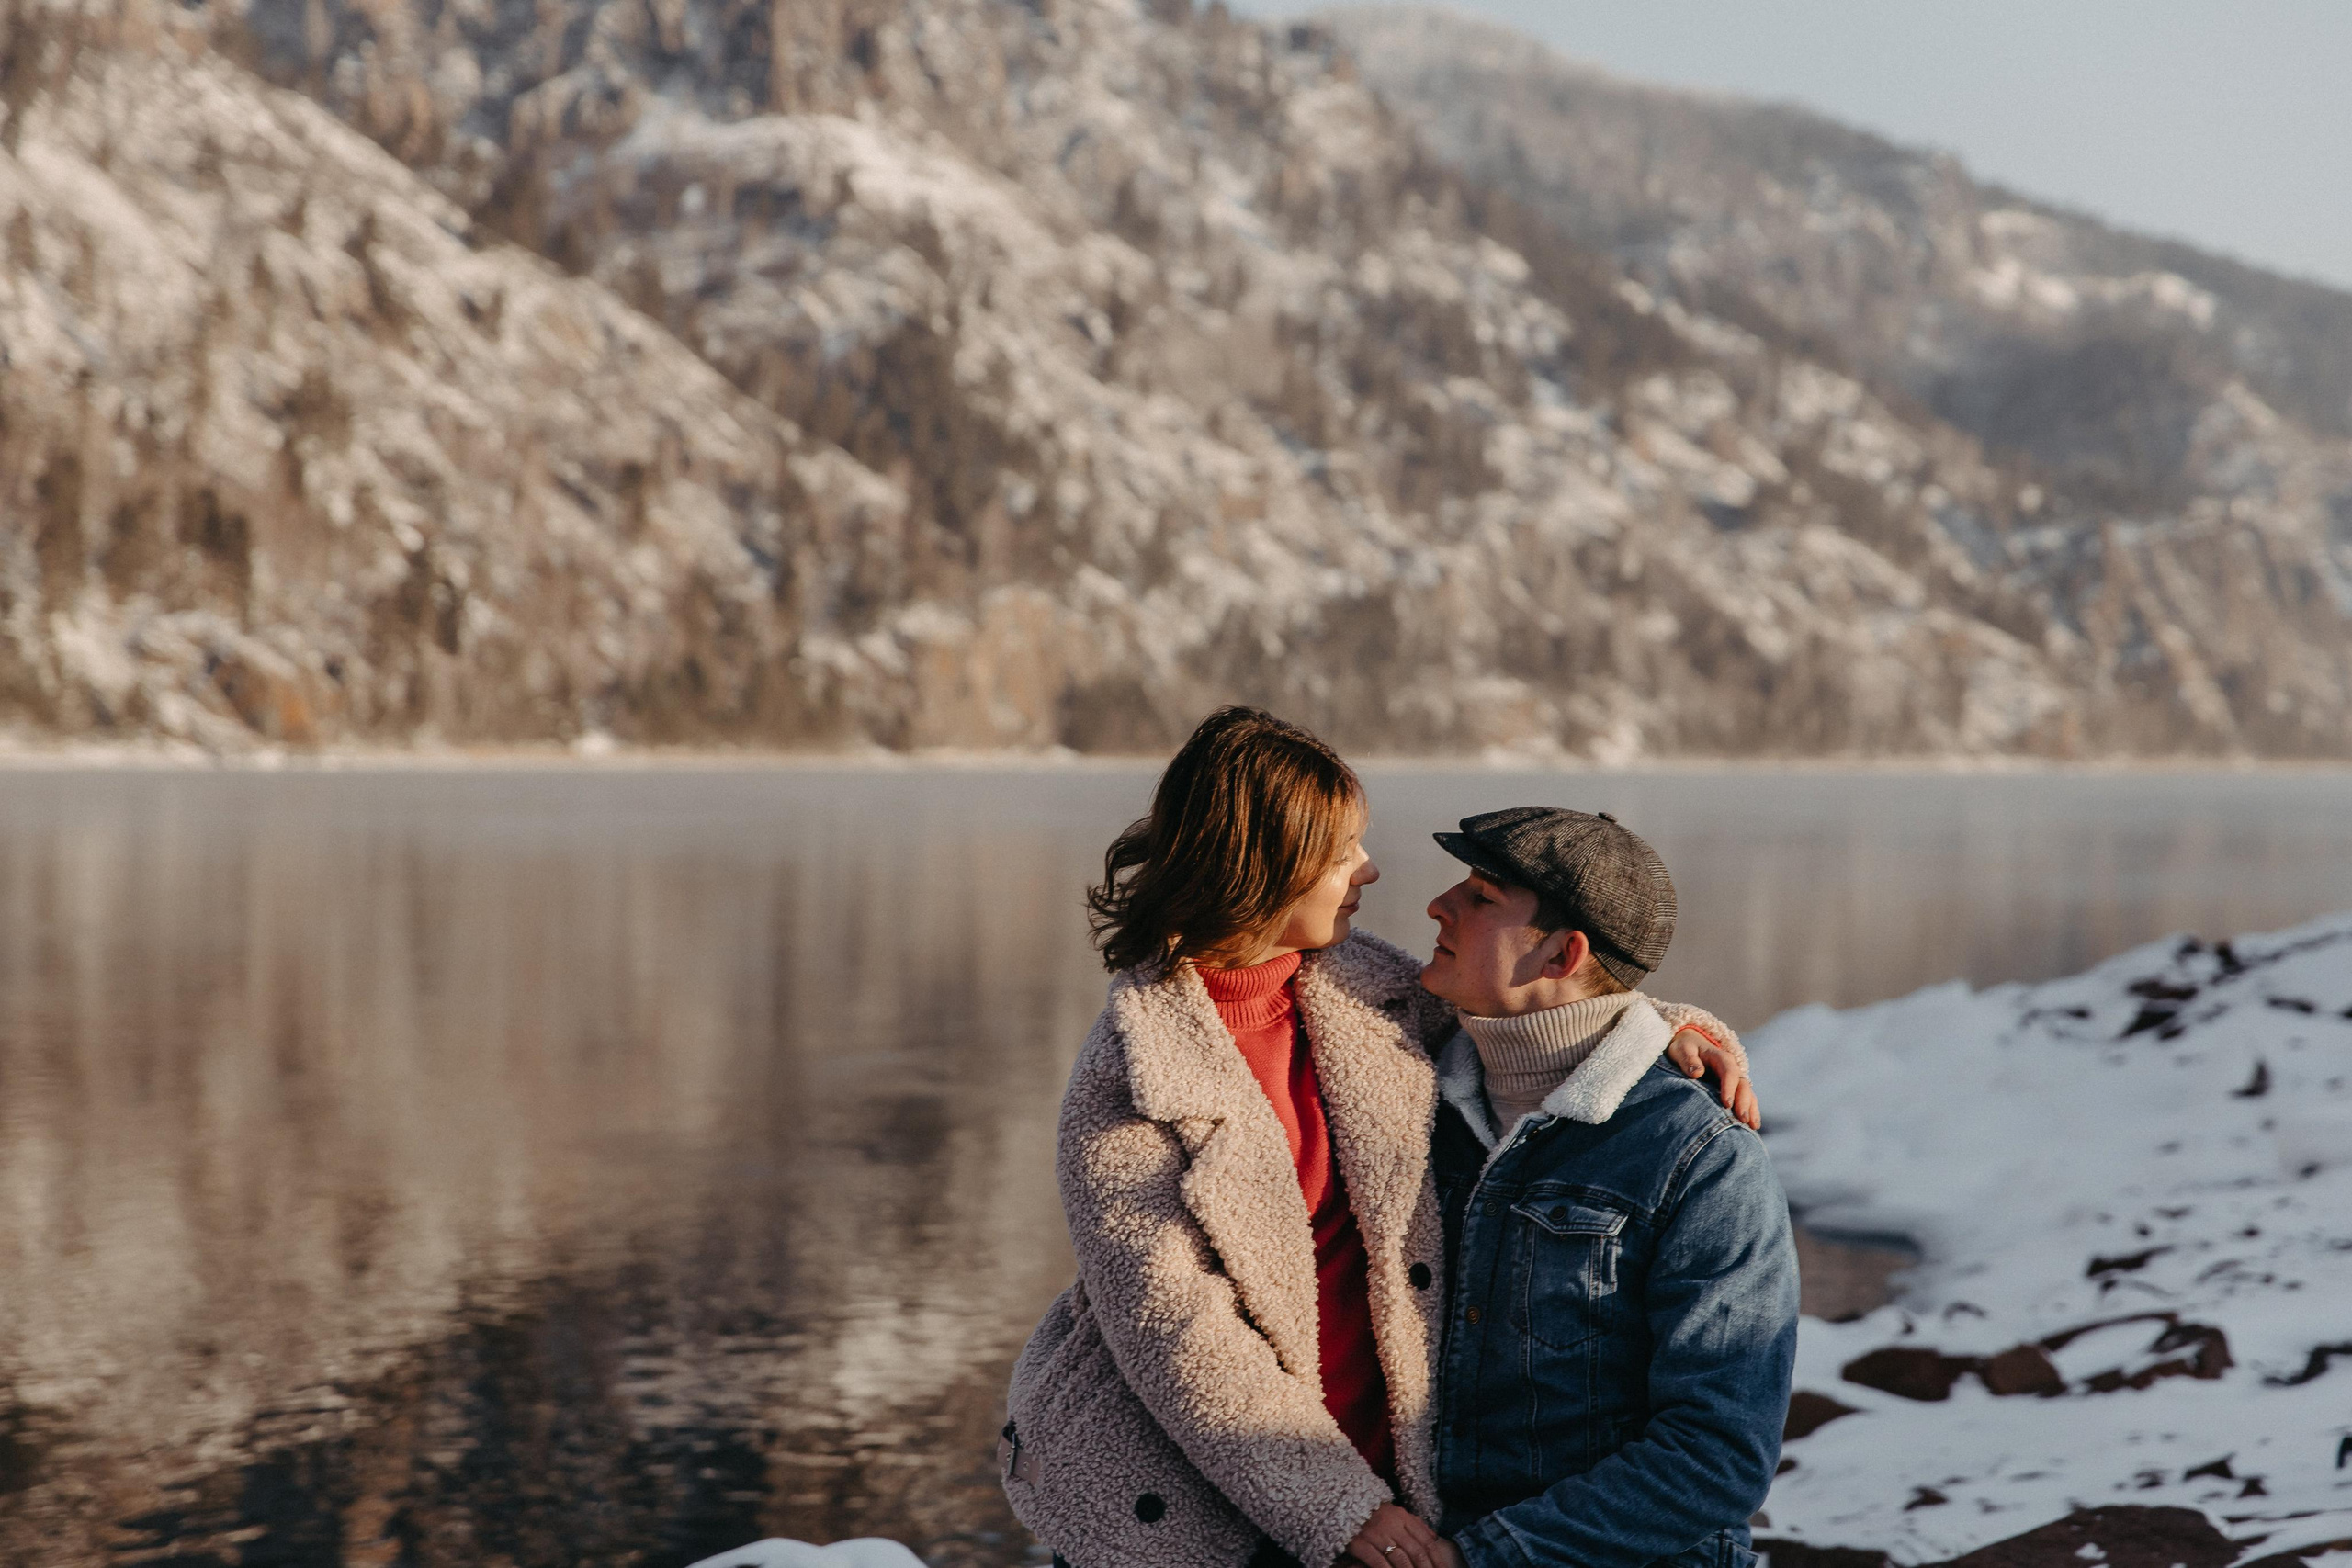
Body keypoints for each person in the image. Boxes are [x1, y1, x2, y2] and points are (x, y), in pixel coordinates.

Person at [998, 710, 1754, 1568]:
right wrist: (1336, 1506)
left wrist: (1667, 1031)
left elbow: (1541, 1011)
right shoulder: (1127, 1081)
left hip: (1386, 1464)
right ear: (1260, 865)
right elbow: (1178, 1336)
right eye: (1340, 850)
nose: (1371, 868)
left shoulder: (1370, 990)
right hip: (1198, 1488)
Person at [1419, 807, 1801, 1568]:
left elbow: (1716, 1454)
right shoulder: (1410, 1101)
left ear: (1564, 953)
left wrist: (1476, 1559)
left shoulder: (1701, 1157)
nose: (1439, 905)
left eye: (1481, 897)